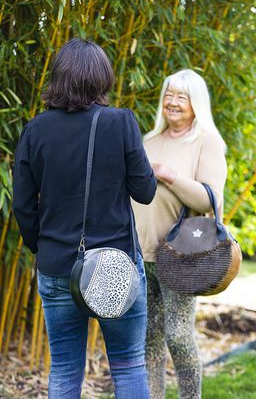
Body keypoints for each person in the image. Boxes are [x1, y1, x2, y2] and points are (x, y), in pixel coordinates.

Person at [13, 38, 157, 399]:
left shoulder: (35, 130)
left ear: (59, 76)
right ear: (102, 77)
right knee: (128, 365)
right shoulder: (121, 122)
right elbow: (146, 192)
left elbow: (23, 206)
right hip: (115, 265)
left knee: (63, 369)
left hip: (58, 265)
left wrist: (41, 248)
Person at [132, 69, 227, 399]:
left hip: (180, 255)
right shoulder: (148, 141)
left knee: (178, 334)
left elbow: (210, 198)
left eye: (181, 96)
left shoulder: (206, 142)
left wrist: (169, 175)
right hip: (141, 253)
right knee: (150, 336)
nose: (172, 102)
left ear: (196, 103)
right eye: (169, 94)